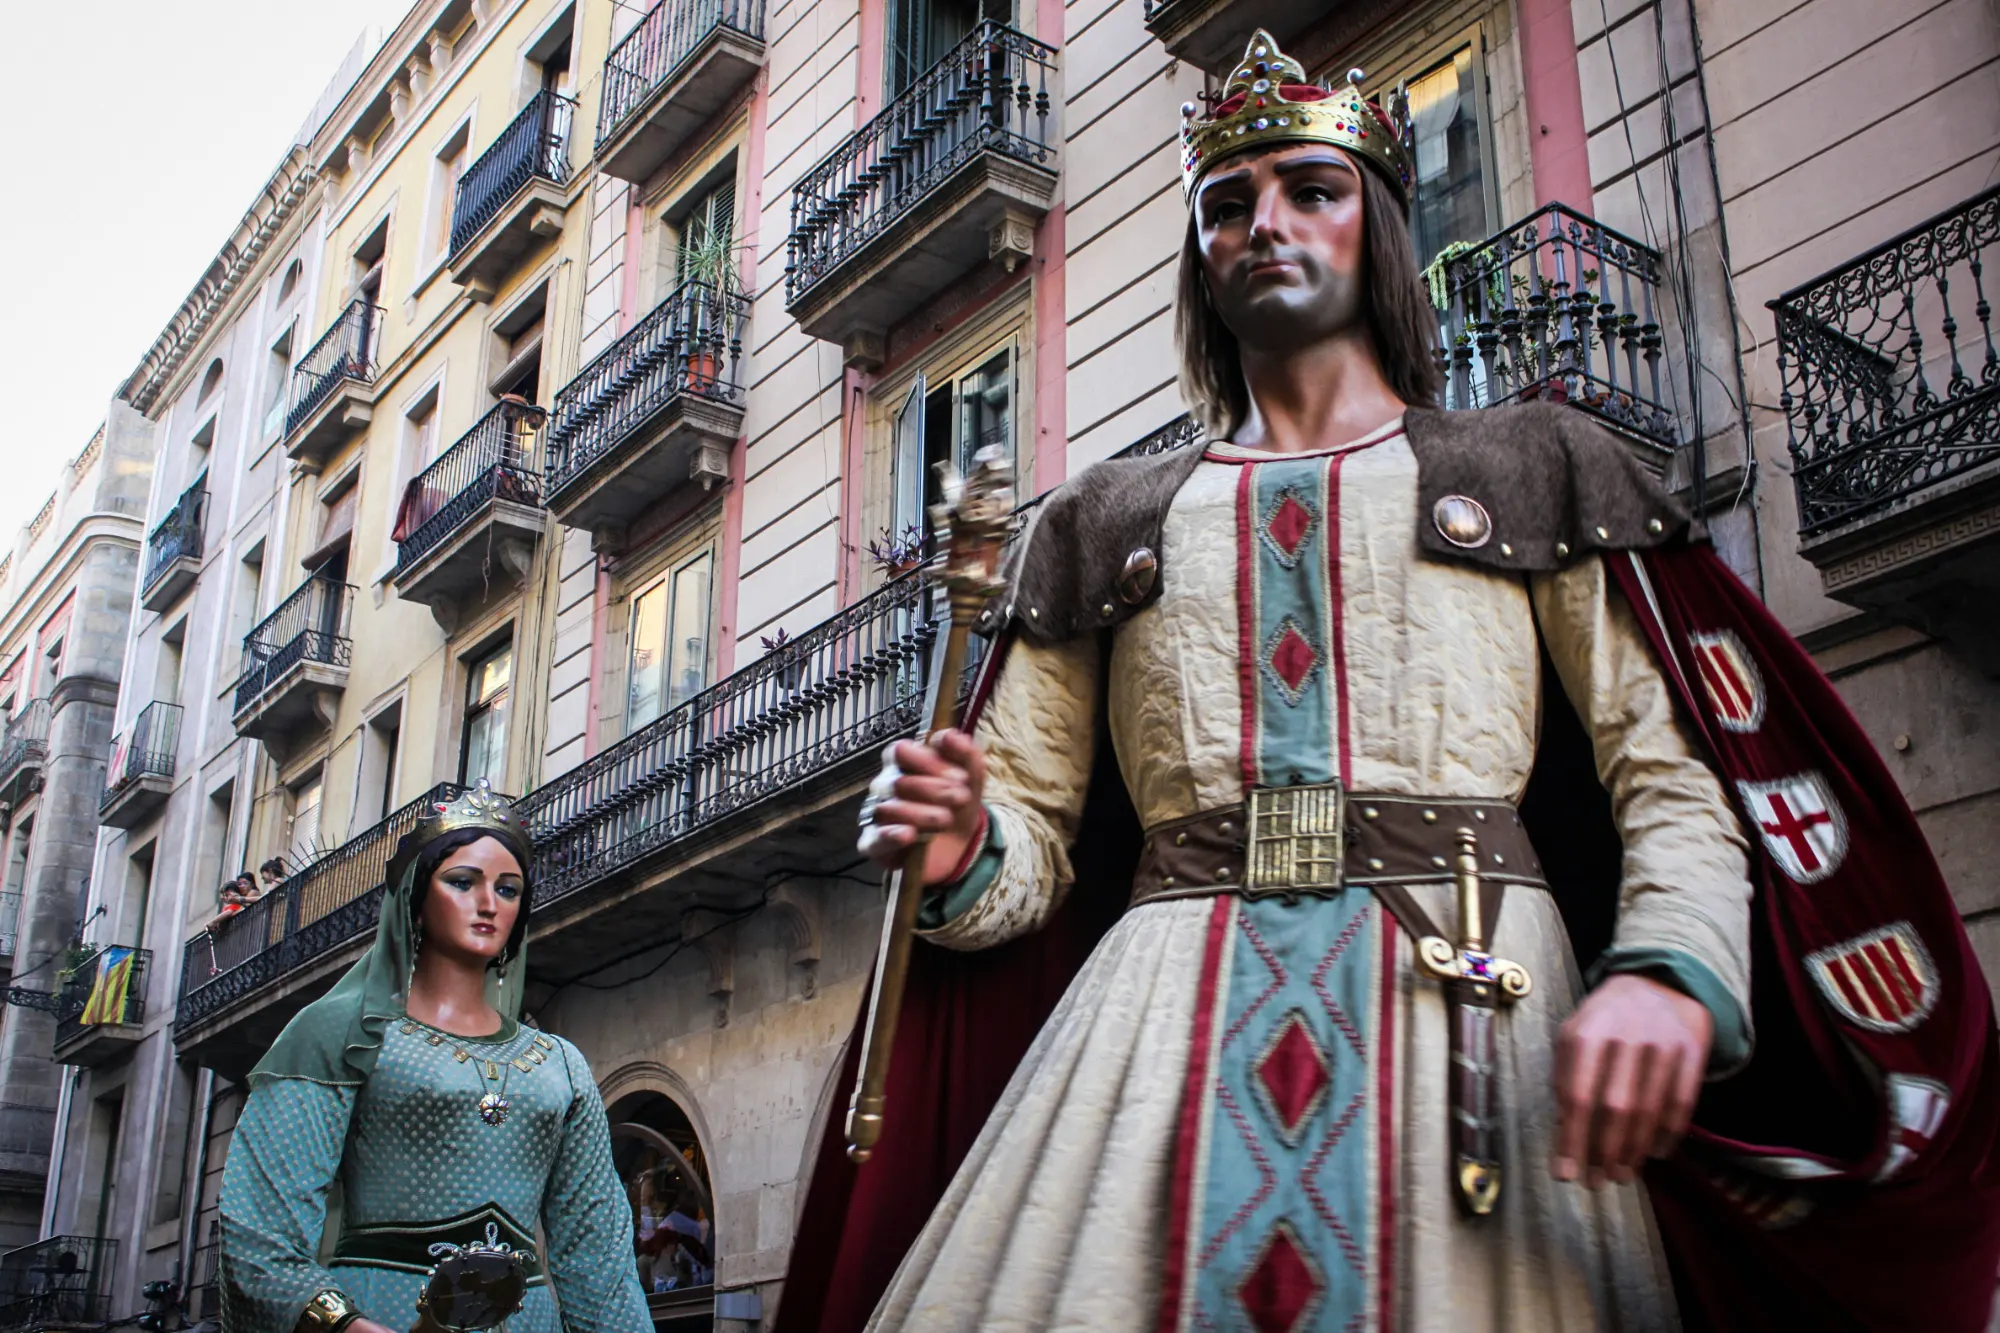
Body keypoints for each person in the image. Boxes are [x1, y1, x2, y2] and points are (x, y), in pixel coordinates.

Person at [784, 30, 2000, 1333]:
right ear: (1198, 252)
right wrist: (968, 843)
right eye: (1229, 202)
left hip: (1476, 1012)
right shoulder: (1095, 519)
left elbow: (1674, 783)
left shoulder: (1539, 464)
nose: (1268, 223)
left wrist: (1667, 973)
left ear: (1382, 230)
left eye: (1315, 189)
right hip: (1151, 1031)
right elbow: (1028, 841)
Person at [219, 780, 649, 1332]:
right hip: (383, 1313)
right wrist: (345, 1326)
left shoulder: (559, 1064)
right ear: (417, 901)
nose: (489, 904)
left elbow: (599, 1258)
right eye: (463, 882)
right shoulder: (344, 1032)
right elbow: (261, 1228)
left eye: (509, 889)